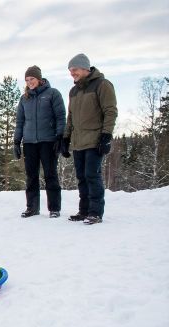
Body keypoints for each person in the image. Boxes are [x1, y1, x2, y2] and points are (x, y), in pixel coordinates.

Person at [62, 53, 118, 225]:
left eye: (75, 69)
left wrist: (106, 136)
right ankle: (84, 210)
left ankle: (95, 212)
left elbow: (110, 111)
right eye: (70, 70)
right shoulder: (74, 90)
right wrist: (66, 138)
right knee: (81, 177)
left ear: (86, 68)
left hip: (95, 139)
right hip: (78, 141)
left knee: (92, 175)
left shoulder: (102, 85)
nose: (72, 73)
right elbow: (70, 117)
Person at [14, 65, 66, 218]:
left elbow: (60, 117)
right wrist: (17, 141)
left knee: (50, 175)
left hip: (48, 141)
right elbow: (20, 122)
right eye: (27, 80)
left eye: (32, 79)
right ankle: (32, 207)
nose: (29, 82)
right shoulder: (24, 98)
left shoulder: (52, 94)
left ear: (39, 78)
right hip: (29, 142)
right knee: (31, 176)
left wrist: (60, 137)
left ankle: (54, 208)